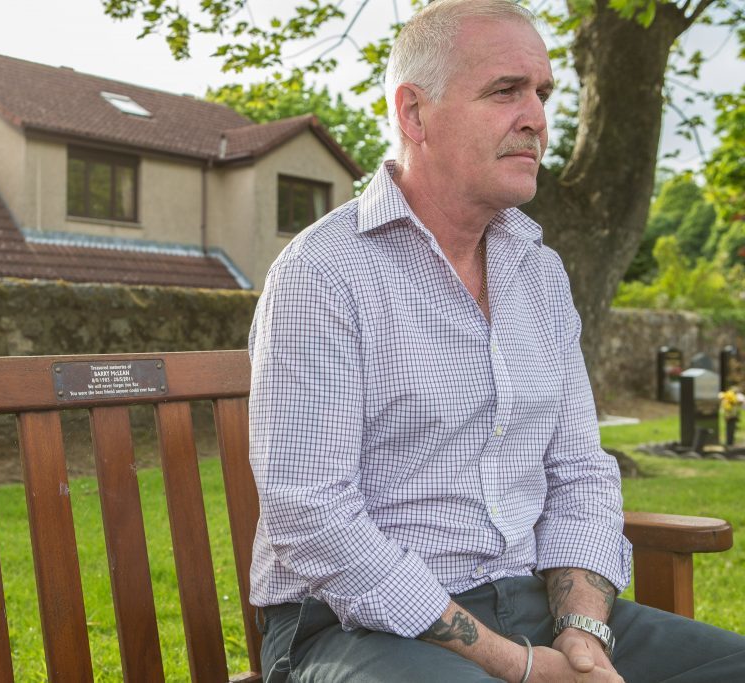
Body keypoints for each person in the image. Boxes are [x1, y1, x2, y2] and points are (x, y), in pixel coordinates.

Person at [246, 0, 745, 680]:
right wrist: (517, 664)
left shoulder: (539, 271)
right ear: (414, 114)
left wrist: (581, 638)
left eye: (541, 92)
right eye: (505, 91)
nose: (537, 117)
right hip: (352, 627)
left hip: (534, 605)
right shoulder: (324, 273)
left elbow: (580, 470)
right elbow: (314, 515)